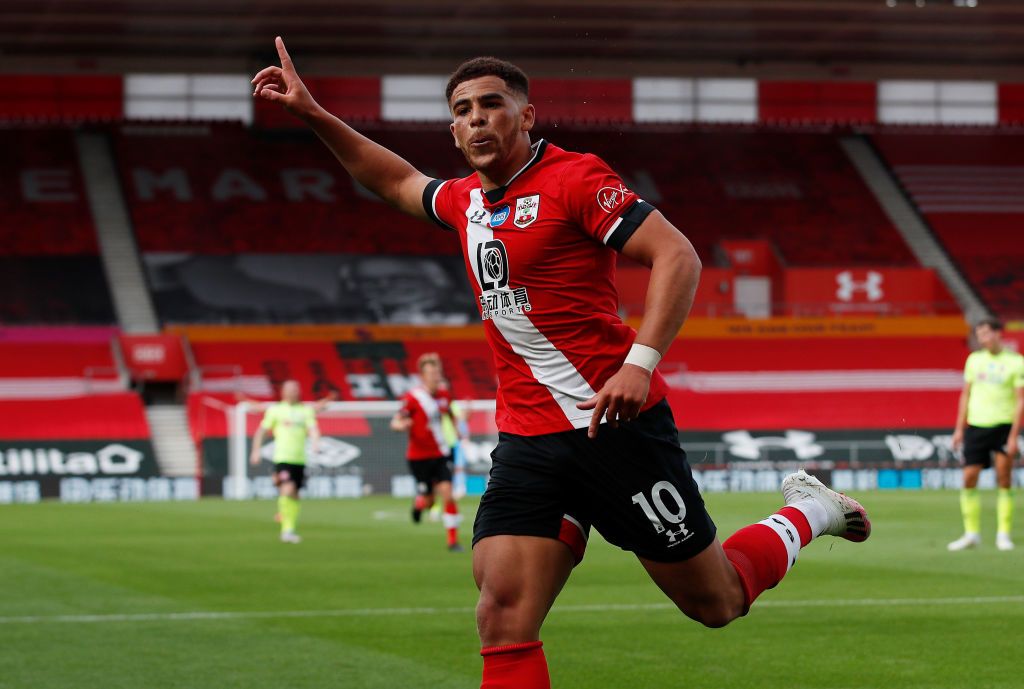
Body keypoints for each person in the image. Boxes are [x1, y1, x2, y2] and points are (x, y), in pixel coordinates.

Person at [253, 40, 871, 688]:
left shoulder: (575, 178)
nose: (477, 118)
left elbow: (677, 255)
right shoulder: (464, 202)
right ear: (453, 130)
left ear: (526, 116)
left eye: (493, 104)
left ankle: (809, 511)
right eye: (462, 110)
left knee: (717, 600)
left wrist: (640, 362)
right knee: (500, 612)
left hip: (617, 428)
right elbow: (396, 181)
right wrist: (313, 113)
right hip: (529, 441)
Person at [948, 318, 1023, 552]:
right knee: (969, 477)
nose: (982, 339)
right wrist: (960, 428)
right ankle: (971, 534)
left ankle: (1003, 534)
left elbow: (1020, 399)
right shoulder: (974, 360)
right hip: (976, 427)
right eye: (979, 335)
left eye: (986, 333)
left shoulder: (1016, 362)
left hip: (1003, 426)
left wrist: (1013, 435)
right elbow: (965, 395)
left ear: (998, 334)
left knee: (1004, 478)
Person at [391, 353, 464, 551]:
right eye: (431, 373)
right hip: (418, 458)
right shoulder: (413, 397)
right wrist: (401, 424)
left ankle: (452, 541)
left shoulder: (444, 395)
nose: (435, 376)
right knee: (430, 499)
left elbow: (451, 414)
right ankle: (419, 504)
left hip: (440, 453)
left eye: (437, 372)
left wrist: (457, 430)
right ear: (422, 376)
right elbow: (396, 421)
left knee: (448, 493)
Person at [249, 379, 321, 543]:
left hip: (300, 459)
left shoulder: (305, 411)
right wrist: (255, 450)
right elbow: (261, 431)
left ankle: (290, 525)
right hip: (282, 458)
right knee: (287, 490)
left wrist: (316, 443)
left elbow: (313, 429)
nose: (294, 391)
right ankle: (286, 530)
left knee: (295, 495)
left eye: (296, 388)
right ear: (283, 391)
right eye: (290, 389)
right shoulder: (275, 410)